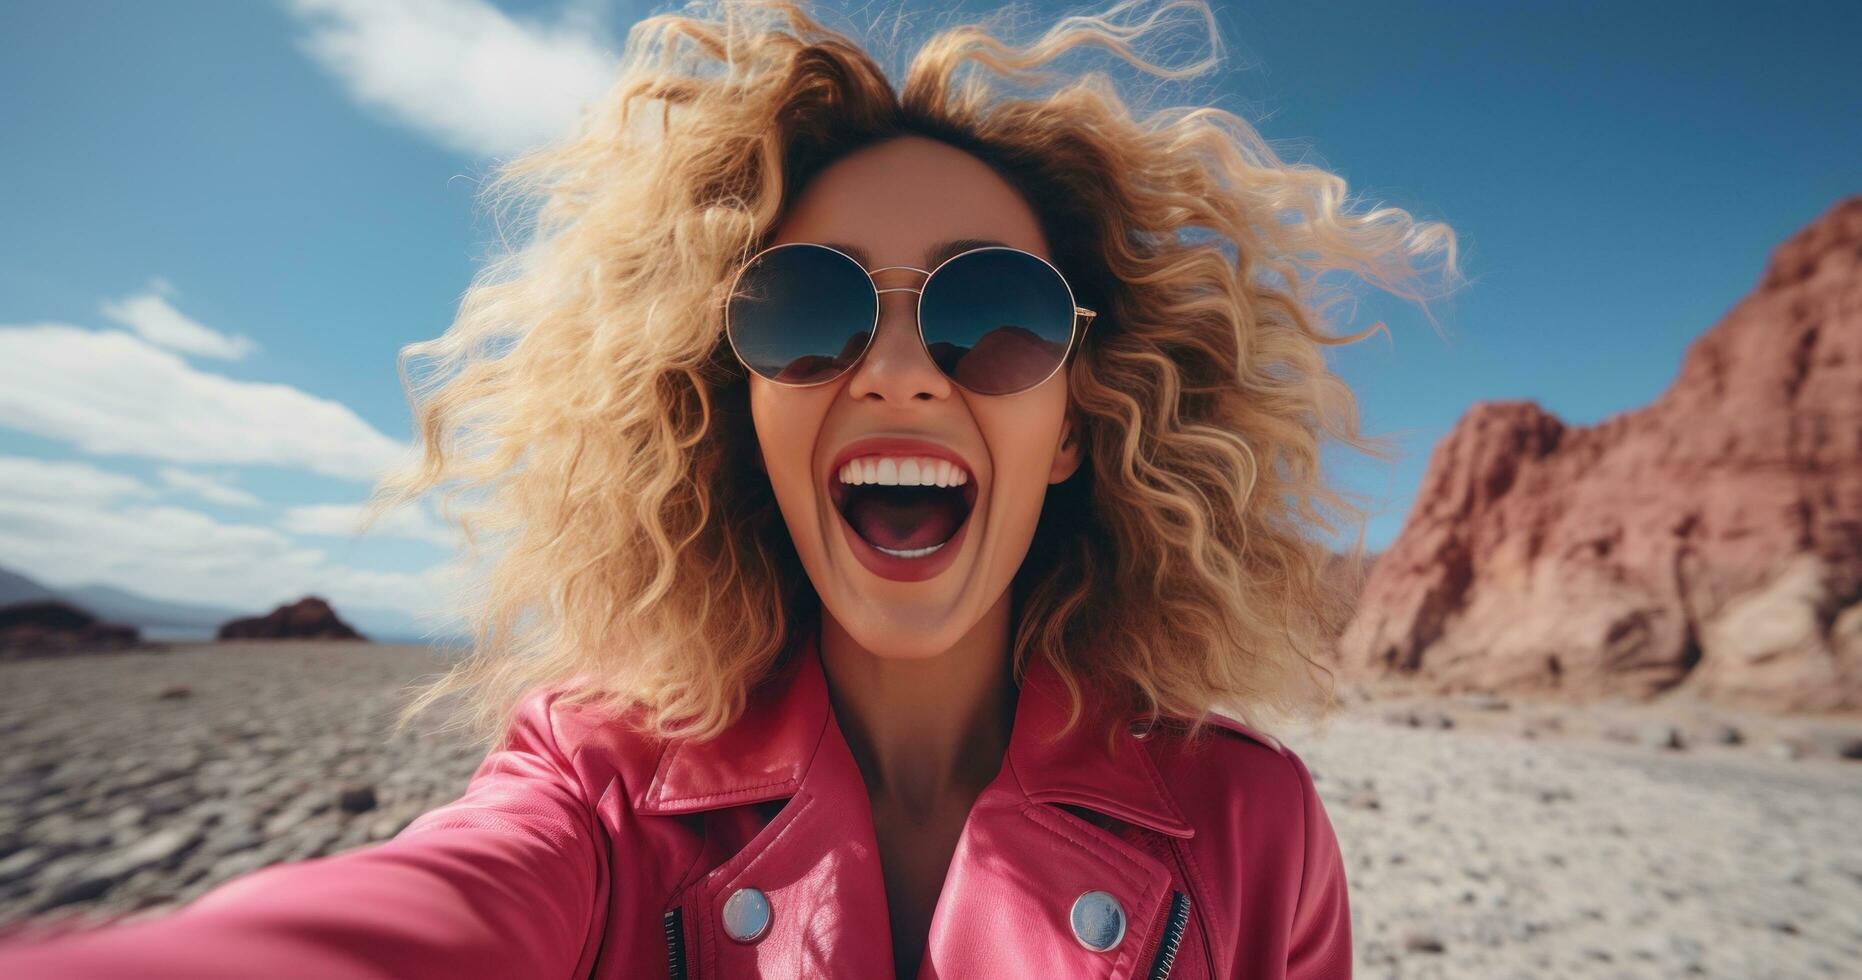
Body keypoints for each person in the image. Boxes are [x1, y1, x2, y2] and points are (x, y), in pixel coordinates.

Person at [0, 0, 1460, 976]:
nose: (896, 371)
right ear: (737, 408)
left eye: (992, 313)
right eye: (805, 313)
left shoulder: (1250, 827)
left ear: (1079, 423)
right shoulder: (594, 783)